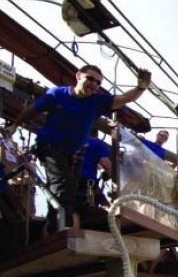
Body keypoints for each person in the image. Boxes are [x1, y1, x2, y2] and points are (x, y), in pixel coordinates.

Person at [10, 64, 150, 233]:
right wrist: (15, 125)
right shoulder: (57, 94)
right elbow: (32, 110)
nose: (94, 84)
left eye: (98, 83)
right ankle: (62, 230)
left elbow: (125, 98)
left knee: (67, 188)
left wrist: (141, 88)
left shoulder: (98, 102)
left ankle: (51, 226)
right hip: (49, 146)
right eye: (90, 79)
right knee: (63, 183)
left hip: (74, 152)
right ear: (78, 76)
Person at [78, 127, 112, 209]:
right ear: (97, 134)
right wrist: (108, 175)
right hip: (87, 181)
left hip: (69, 179)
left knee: (74, 210)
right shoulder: (98, 144)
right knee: (94, 209)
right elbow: (106, 164)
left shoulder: (76, 141)